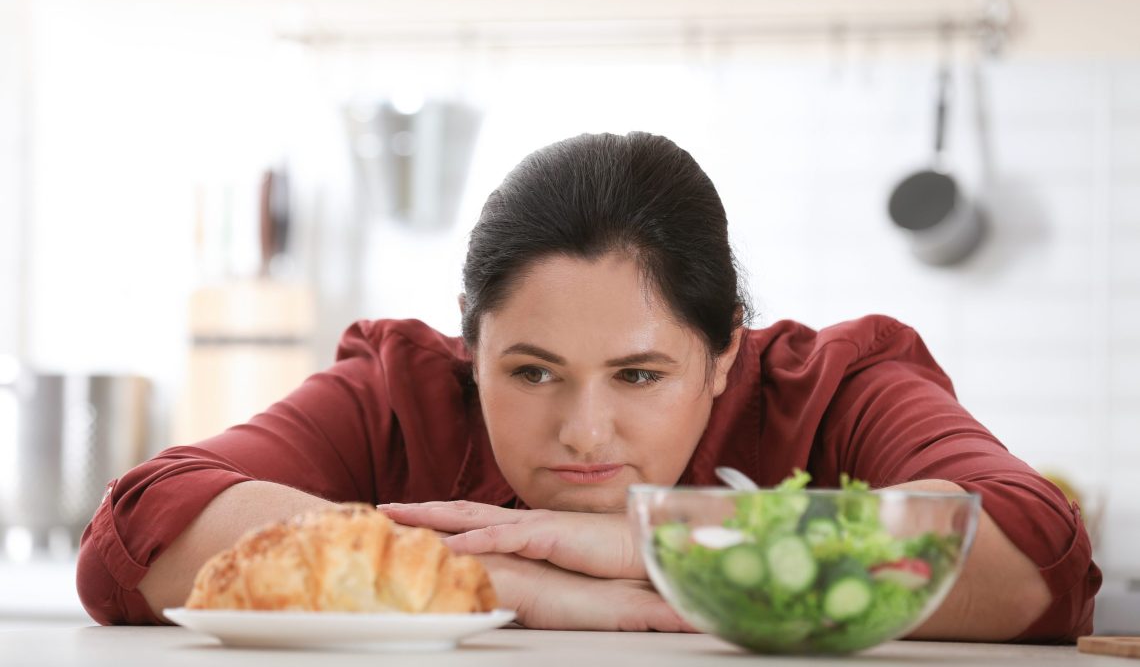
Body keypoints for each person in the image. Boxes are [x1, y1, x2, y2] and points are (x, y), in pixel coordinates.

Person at [76, 132, 1100, 640]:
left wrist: (671, 555)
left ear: (725, 353)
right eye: (530, 371)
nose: (582, 428)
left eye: (641, 372)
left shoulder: (840, 383)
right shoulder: (401, 386)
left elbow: (1031, 561)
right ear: (471, 349)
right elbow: (145, 532)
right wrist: (508, 581)